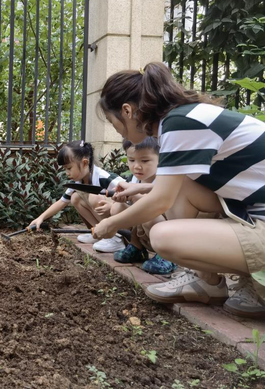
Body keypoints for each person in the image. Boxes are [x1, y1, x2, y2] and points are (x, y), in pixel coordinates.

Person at [94, 62, 265, 318]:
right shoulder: (183, 117)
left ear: (127, 111)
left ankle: (255, 283)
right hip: (250, 209)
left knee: (164, 237)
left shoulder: (179, 123)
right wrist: (138, 188)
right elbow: (176, 185)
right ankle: (206, 280)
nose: (116, 129)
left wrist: (110, 224)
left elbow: (161, 201)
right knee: (185, 185)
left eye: (112, 121)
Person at [29, 140, 125, 253]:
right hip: (112, 221)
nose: (67, 173)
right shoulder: (78, 182)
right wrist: (41, 218)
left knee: (94, 197)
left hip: (124, 223)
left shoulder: (103, 177)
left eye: (69, 168)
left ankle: (116, 239)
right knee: (75, 198)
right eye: (65, 169)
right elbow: (62, 202)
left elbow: (131, 194)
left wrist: (112, 205)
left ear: (84, 163)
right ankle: (99, 234)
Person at [111, 137, 177, 274]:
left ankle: (167, 256)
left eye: (145, 161)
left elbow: (155, 204)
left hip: (169, 232)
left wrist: (134, 195)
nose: (137, 166)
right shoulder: (136, 179)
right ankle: (137, 247)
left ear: (161, 158)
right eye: (132, 160)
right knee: (117, 208)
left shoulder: (165, 179)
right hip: (146, 231)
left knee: (147, 212)